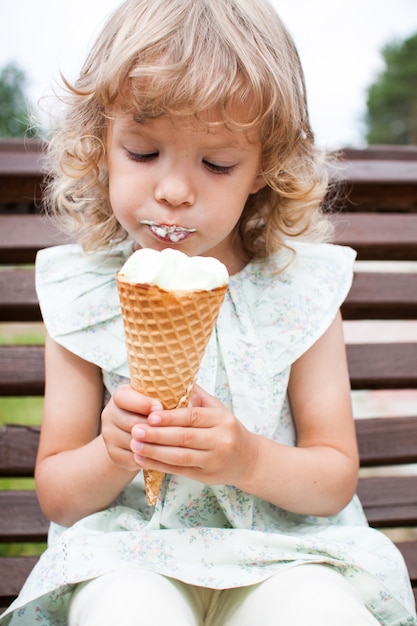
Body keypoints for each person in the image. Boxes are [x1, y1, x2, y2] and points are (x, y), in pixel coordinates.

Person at [1, 0, 416, 624]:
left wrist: (246, 457)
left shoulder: (296, 292)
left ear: (262, 169)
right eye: (143, 153)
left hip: (284, 555)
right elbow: (59, 496)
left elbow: (332, 477)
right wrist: (112, 450)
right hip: (130, 556)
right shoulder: (85, 294)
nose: (173, 190)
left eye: (217, 163)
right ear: (100, 146)